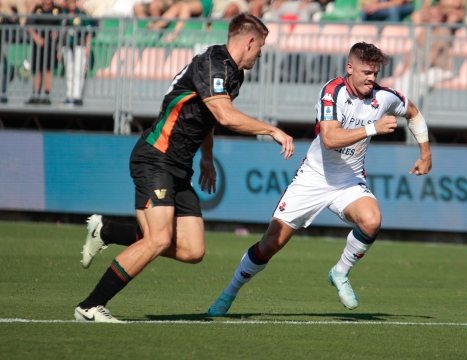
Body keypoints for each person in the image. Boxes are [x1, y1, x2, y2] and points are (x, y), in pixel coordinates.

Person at [74, 13, 295, 323]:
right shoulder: (212, 63)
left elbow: (208, 118)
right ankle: (89, 306)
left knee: (192, 250)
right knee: (159, 239)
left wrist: (207, 158)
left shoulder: (234, 75)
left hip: (179, 168)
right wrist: (272, 130)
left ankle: (108, 230)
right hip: (156, 157)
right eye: (261, 46)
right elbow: (225, 114)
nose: (261, 52)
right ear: (249, 41)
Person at [207, 42, 433, 316]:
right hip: (313, 178)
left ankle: (340, 273)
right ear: (350, 68)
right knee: (270, 245)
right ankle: (229, 293)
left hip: (348, 180)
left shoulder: (383, 97)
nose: (372, 78)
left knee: (372, 220)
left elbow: (413, 112)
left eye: (375, 73)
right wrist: (372, 127)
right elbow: (329, 139)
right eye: (366, 72)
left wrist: (425, 152)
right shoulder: (332, 91)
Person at [26, 0, 63, 105]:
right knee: (37, 70)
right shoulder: (37, 9)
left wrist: (58, 34)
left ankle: (46, 96)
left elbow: (63, 26)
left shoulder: (58, 10)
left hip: (51, 45)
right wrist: (36, 37)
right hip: (38, 46)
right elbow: (29, 26)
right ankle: (35, 95)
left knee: (48, 69)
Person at [61, 0, 92, 106]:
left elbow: (88, 32)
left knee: (79, 71)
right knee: (69, 71)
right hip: (67, 45)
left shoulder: (82, 14)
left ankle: (77, 96)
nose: (72, 5)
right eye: (69, 3)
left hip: (80, 45)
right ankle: (69, 96)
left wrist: (87, 46)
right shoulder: (63, 14)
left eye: (73, 2)